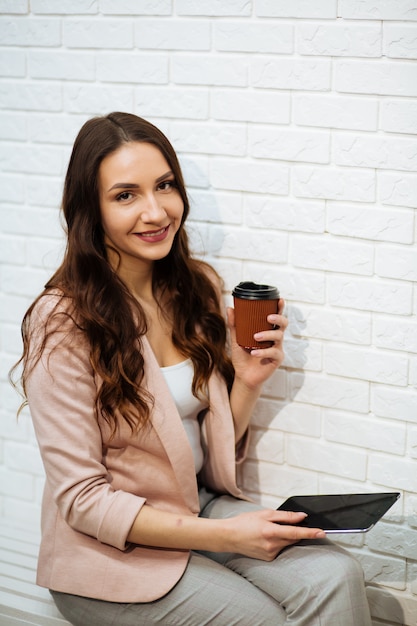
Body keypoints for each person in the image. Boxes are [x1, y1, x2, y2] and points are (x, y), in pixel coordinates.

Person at [11, 112, 372, 626]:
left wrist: (246, 382)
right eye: (125, 195)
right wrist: (228, 536)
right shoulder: (63, 321)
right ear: (90, 209)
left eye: (164, 186)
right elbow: (83, 500)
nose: (156, 211)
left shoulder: (189, 288)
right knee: (262, 618)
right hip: (108, 552)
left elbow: (197, 448)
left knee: (334, 575)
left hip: (193, 508)